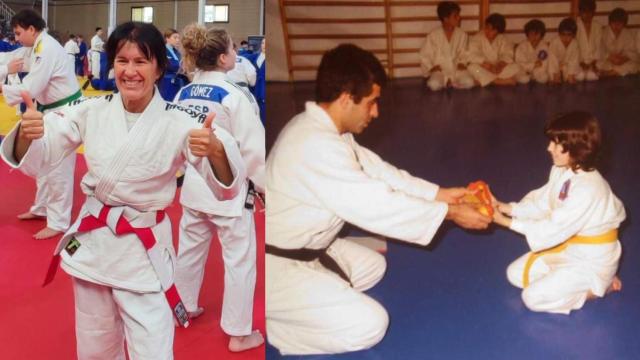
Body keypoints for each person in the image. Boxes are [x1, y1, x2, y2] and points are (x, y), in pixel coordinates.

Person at [0, 21, 245, 359]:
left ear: (158, 68)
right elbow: (44, 156)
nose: (130, 71)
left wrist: (216, 151)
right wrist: (29, 132)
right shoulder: (91, 110)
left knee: (153, 349)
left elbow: (226, 188)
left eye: (141, 62)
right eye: (122, 61)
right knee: (95, 346)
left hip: (143, 254)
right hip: (94, 250)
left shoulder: (181, 120)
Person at [265, 44, 491, 355]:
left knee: (373, 266)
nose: (376, 112)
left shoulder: (327, 132)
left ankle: (313, 297)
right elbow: (376, 204)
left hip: (306, 247)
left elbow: (382, 173)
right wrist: (450, 213)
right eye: (371, 103)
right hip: (276, 264)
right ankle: (272, 324)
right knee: (370, 324)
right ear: (346, 98)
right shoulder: (314, 145)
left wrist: (440, 194)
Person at [173, 24, 265, 352]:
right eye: (234, 51)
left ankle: (183, 305)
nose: (237, 56)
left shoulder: (183, 94)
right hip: (228, 192)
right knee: (239, 260)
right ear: (224, 58)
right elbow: (252, 151)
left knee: (189, 251)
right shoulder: (234, 96)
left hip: (195, 190)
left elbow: (176, 142)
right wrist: (264, 187)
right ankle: (239, 333)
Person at [492, 112, 625, 315]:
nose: (549, 148)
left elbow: (553, 228)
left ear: (575, 148)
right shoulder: (562, 170)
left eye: (555, 143)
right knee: (515, 274)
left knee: (532, 298)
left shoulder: (589, 188)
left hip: (592, 260)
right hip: (570, 249)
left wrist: (504, 222)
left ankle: (599, 287)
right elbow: (542, 205)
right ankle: (568, 280)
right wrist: (506, 208)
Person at [1, 9, 81, 239]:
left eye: (18, 33)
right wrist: (5, 67)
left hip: (65, 112)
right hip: (50, 111)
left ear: (31, 29)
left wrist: (3, 88)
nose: (16, 38)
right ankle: (42, 208)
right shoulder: (35, 46)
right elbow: (14, 57)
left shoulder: (46, 48)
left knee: (58, 167)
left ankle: (59, 221)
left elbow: (30, 89)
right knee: (45, 162)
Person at [419, 1, 473, 91]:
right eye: (455, 16)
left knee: (469, 82)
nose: (459, 18)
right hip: (440, 70)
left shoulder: (462, 34)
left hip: (456, 69)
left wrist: (462, 62)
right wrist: (431, 67)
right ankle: (448, 82)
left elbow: (465, 52)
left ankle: (451, 82)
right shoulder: (433, 35)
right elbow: (424, 55)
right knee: (434, 85)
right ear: (446, 19)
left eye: (458, 15)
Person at [467, 13, 520, 86]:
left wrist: (500, 65)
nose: (488, 31)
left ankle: (485, 80)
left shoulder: (503, 39)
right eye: (487, 28)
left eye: (492, 30)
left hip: (498, 69)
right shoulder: (478, 37)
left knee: (516, 67)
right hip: (484, 67)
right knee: (472, 67)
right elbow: (472, 54)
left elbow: (508, 54)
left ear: (498, 31)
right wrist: (487, 65)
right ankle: (497, 81)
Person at [597, 8, 638, 77]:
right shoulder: (603, 33)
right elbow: (600, 50)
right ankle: (614, 72)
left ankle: (611, 73)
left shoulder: (627, 33)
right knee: (599, 64)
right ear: (610, 22)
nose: (616, 26)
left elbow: (632, 52)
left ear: (624, 24)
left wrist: (623, 59)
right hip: (608, 61)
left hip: (622, 61)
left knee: (634, 65)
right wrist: (610, 57)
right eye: (614, 23)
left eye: (620, 23)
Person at [515, 19, 553, 84]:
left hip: (537, 71)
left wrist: (536, 69)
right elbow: (520, 63)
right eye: (531, 34)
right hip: (523, 70)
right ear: (527, 34)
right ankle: (529, 77)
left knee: (543, 78)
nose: (534, 37)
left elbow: (543, 63)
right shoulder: (522, 46)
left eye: (537, 34)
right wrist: (533, 65)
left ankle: (534, 77)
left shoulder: (544, 46)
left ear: (541, 35)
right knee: (524, 79)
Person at [548, 18, 580, 84]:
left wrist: (571, 75)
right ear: (559, 33)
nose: (566, 38)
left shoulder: (575, 43)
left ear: (573, 35)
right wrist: (555, 74)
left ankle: (567, 76)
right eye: (563, 34)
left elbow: (574, 60)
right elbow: (552, 59)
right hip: (555, 66)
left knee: (580, 76)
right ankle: (556, 76)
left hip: (567, 66)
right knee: (548, 75)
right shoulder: (554, 42)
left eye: (569, 35)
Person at [575, 0, 601, 81]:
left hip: (593, 61)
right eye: (584, 12)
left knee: (594, 76)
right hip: (579, 61)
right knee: (580, 76)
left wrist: (593, 63)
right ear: (580, 12)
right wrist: (581, 63)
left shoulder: (597, 26)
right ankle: (584, 72)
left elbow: (599, 46)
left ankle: (590, 72)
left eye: (590, 12)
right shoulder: (576, 26)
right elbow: (574, 48)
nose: (587, 15)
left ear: (593, 12)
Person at [159, 28, 186, 101]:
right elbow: (170, 65)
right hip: (166, 82)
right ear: (167, 38)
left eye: (178, 38)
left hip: (177, 81)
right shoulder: (162, 51)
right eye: (175, 37)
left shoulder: (177, 52)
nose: (177, 40)